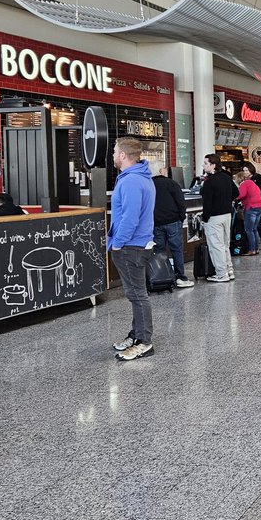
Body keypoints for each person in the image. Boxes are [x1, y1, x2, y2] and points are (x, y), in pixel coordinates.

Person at [108, 137, 156, 361]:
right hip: (137, 244)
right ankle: (137, 334)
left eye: (115, 151)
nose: (113, 155)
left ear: (124, 156)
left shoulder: (131, 181)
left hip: (131, 246)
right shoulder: (142, 178)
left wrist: (118, 242)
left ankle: (144, 342)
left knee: (137, 295)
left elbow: (130, 217)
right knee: (136, 294)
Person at [151, 168, 193, 288]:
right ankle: (180, 277)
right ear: (162, 172)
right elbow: (181, 202)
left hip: (156, 222)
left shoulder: (148, 185)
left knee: (159, 250)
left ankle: (162, 276)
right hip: (173, 221)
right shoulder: (172, 183)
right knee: (176, 249)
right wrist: (181, 216)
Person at [200, 154, 236, 283]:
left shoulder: (209, 182)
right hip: (227, 215)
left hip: (214, 218)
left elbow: (207, 203)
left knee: (216, 246)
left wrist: (205, 218)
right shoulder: (226, 178)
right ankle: (229, 270)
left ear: (213, 165)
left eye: (205, 163)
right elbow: (236, 193)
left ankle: (221, 273)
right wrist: (225, 201)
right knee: (225, 245)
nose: (203, 166)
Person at [236, 166, 261, 256]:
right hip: (259, 206)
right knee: (254, 229)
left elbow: (241, 195)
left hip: (251, 207)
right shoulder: (252, 183)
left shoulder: (244, 184)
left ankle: (252, 249)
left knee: (249, 230)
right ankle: (256, 248)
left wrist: (234, 198)